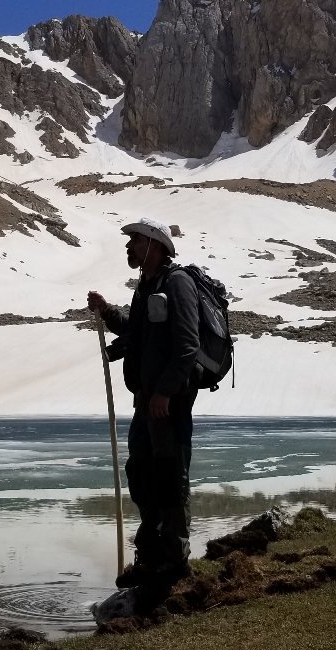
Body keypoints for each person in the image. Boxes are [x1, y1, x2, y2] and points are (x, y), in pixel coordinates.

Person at [87, 217, 201, 600]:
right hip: (147, 405)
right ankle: (152, 556)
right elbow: (137, 334)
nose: (129, 247)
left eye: (135, 240)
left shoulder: (178, 283)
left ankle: (174, 562)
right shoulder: (146, 287)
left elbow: (187, 344)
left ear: (155, 245)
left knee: (169, 478)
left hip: (168, 406)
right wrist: (107, 312)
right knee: (141, 474)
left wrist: (165, 393)